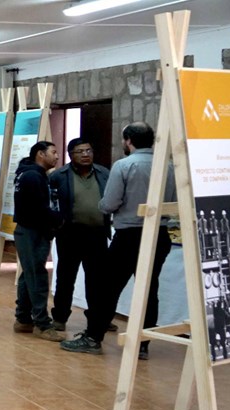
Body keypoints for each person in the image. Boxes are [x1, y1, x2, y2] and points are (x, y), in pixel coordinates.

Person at [62, 122, 175, 359]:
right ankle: (142, 345)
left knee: (107, 288)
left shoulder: (124, 165)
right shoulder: (168, 166)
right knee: (148, 289)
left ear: (128, 140)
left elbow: (109, 203)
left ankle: (93, 338)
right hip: (159, 235)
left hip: (129, 236)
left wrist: (102, 205)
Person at [49, 138, 112, 332]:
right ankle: (60, 317)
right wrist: (57, 226)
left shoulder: (104, 173)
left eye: (89, 151)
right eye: (80, 151)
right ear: (70, 155)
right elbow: (51, 204)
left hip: (97, 234)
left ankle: (98, 319)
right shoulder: (59, 176)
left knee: (97, 280)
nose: (85, 155)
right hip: (70, 235)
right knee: (66, 278)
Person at [11, 141, 65, 342]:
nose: (57, 156)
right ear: (40, 154)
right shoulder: (33, 176)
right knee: (37, 277)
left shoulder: (30, 173)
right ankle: (42, 324)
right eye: (53, 152)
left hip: (30, 230)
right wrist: (59, 219)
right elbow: (39, 209)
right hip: (32, 231)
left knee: (29, 275)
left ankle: (23, 319)